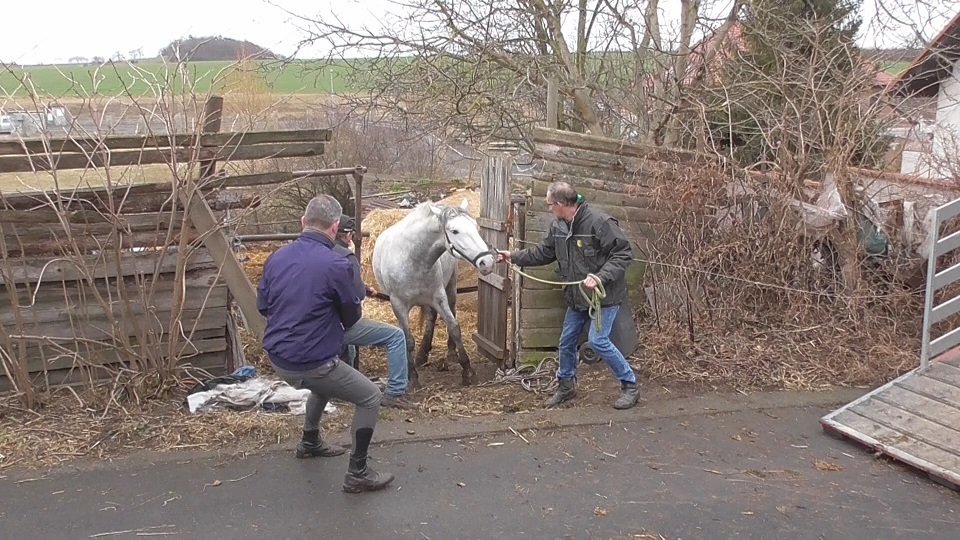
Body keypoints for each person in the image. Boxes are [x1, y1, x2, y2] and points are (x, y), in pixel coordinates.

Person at [257, 195, 393, 493]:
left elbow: (264, 307)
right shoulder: (338, 262)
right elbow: (352, 316)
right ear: (335, 228)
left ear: (303, 222)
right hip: (309, 361)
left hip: (277, 356)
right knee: (370, 396)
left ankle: (309, 441)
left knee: (328, 376)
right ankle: (358, 472)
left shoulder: (276, 258)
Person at [496, 181, 641, 410]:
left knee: (598, 341)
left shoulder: (599, 222)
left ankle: (630, 385)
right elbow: (543, 253)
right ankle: (566, 386)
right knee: (566, 342)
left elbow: (622, 254)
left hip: (604, 297)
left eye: (550, 204)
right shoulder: (559, 227)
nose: (549, 208)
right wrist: (512, 257)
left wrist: (601, 277)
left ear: (562, 204)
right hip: (577, 297)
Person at [333, 214, 414, 409]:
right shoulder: (345, 257)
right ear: (348, 236)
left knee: (349, 346)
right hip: (334, 325)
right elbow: (351, 299)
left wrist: (363, 287)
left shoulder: (314, 252)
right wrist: (360, 294)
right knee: (396, 336)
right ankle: (395, 392)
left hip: (307, 327)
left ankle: (342, 389)